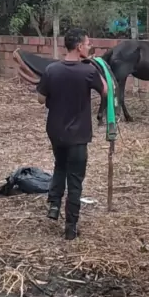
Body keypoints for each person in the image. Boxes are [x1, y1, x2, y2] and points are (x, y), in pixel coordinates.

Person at [37, 28, 106, 240]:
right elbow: (106, 90)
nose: (90, 46)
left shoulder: (51, 70)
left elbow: (40, 99)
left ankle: (54, 205)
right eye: (87, 43)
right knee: (75, 178)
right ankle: (70, 227)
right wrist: (95, 67)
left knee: (60, 165)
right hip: (78, 135)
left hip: (56, 131)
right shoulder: (88, 72)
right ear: (79, 46)